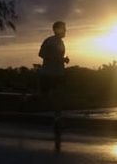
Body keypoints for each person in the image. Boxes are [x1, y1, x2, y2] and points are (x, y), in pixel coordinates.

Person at [38, 21, 69, 152]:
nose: (66, 31)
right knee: (46, 96)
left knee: (58, 95)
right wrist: (59, 59)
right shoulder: (50, 41)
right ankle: (26, 99)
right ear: (57, 29)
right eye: (64, 29)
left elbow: (55, 56)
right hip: (49, 73)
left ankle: (57, 119)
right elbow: (42, 54)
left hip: (58, 73)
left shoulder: (59, 42)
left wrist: (62, 60)